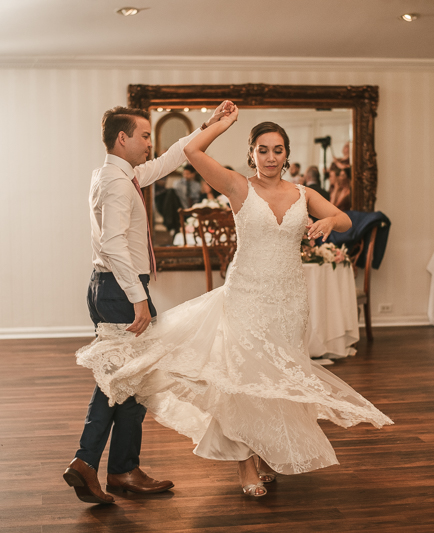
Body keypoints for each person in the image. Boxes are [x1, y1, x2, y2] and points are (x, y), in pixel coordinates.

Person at [75, 101, 392, 499]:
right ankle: (94, 460)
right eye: (263, 149)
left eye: (278, 149)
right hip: (237, 294)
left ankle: (121, 467)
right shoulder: (235, 185)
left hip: (289, 299)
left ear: (288, 155)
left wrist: (329, 220)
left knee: (269, 379)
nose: (271, 156)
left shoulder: (301, 192)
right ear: (251, 153)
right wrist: (224, 124)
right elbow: (189, 155)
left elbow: (343, 219)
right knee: (217, 375)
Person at [63, 103, 231, 505]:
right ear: (122, 138)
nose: (148, 144)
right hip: (122, 289)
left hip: (110, 285)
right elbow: (113, 244)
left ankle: (121, 469)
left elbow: (169, 159)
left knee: (129, 378)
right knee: (122, 379)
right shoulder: (119, 183)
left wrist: (209, 127)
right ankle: (89, 462)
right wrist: (138, 299)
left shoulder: (118, 174)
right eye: (143, 136)